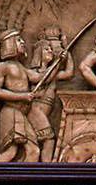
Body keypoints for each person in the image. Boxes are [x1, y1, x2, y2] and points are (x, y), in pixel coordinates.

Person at [0, 29, 40, 185]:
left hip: (20, 114)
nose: (23, 43)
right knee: (11, 151)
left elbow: (39, 77)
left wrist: (57, 61)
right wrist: (22, 96)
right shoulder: (3, 67)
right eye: (18, 40)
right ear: (9, 44)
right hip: (11, 112)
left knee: (33, 150)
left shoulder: (21, 67)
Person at [26, 26, 75, 161]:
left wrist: (67, 53)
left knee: (36, 145)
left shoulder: (54, 74)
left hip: (44, 112)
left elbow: (69, 73)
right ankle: (46, 167)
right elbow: (44, 78)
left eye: (51, 49)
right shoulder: (32, 73)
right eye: (47, 49)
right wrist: (58, 63)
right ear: (39, 53)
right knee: (49, 139)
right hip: (35, 111)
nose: (51, 52)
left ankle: (43, 166)